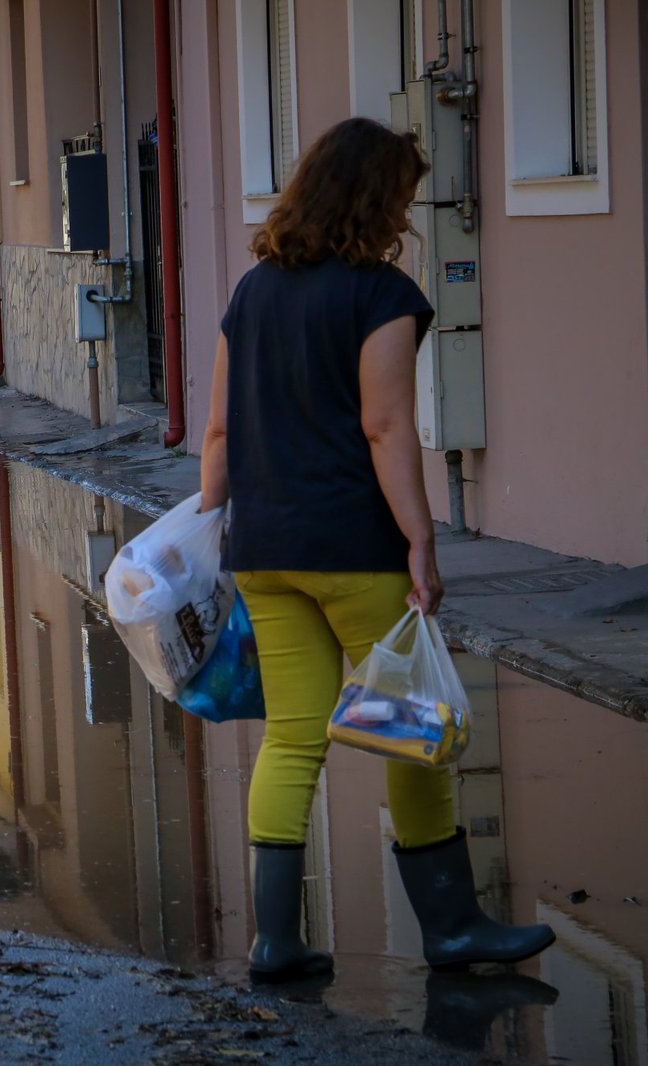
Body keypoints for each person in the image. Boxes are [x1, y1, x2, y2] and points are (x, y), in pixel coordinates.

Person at [198, 117, 554, 982]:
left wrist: (214, 533)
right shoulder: (380, 294)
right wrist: (422, 540)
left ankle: (275, 940)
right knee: (410, 725)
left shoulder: (252, 291)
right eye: (401, 194)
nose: (406, 211)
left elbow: (217, 433)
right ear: (374, 197)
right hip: (352, 544)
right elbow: (386, 426)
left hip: (264, 547)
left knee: (292, 737)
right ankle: (452, 928)